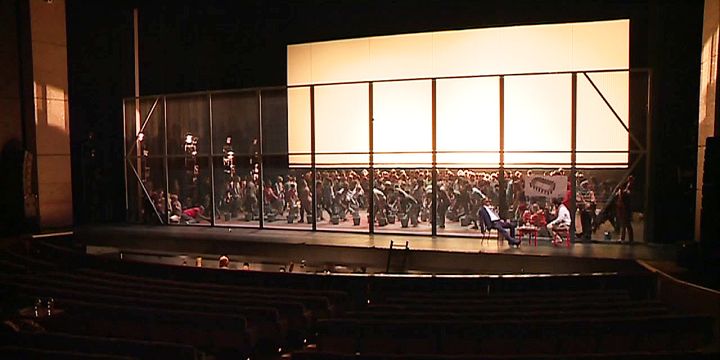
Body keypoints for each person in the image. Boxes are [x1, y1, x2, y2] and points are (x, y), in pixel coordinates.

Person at [615, 176, 634, 242]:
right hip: (622, 209)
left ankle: (629, 239)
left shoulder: (626, 191)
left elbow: (626, 196)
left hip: (625, 209)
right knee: (624, 224)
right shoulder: (623, 191)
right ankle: (623, 238)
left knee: (627, 224)